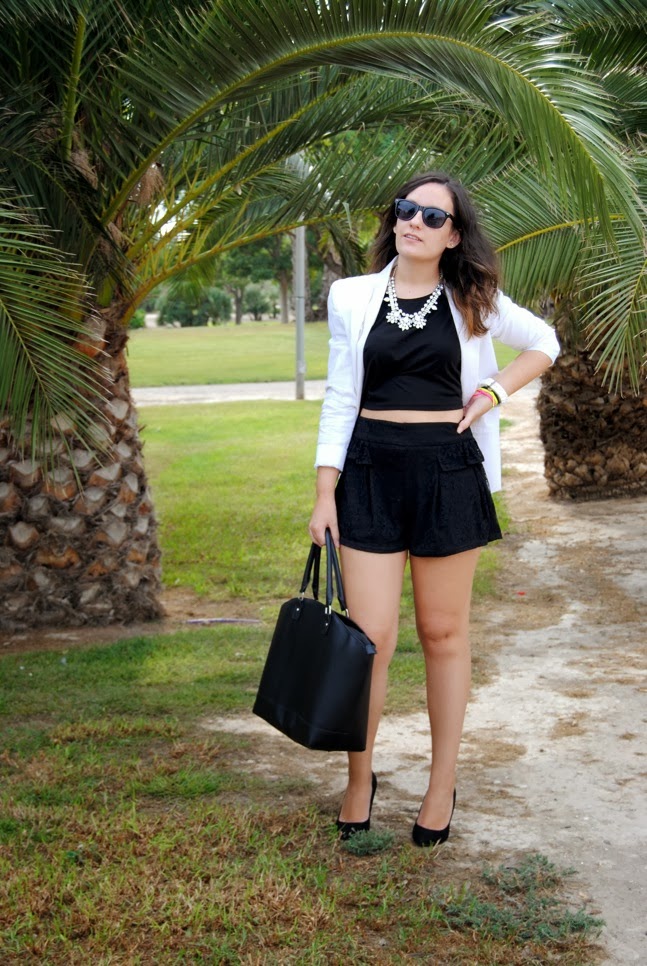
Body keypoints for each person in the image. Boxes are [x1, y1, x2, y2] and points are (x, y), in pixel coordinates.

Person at [308, 171, 559, 846]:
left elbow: (544, 342)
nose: (413, 221)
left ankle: (440, 784)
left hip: (447, 471)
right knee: (369, 640)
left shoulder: (473, 297)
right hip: (368, 469)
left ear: (452, 236)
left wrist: (493, 393)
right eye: (405, 209)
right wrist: (325, 491)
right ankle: (359, 780)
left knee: (443, 633)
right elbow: (340, 396)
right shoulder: (352, 295)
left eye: (431, 216)